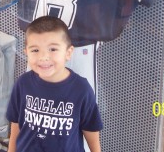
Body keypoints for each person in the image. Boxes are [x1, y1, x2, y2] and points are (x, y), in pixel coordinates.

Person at [6, 16, 103, 152]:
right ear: (26, 52)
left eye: (53, 49)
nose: (43, 57)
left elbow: (91, 129)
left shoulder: (81, 89)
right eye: (35, 50)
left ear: (68, 53)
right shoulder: (23, 83)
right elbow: (16, 123)